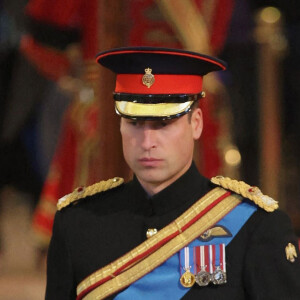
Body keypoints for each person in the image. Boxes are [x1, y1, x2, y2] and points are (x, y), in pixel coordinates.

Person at [45, 47, 300, 300]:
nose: (147, 142)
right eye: (134, 123)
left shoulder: (255, 226)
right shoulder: (77, 222)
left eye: (163, 124)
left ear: (196, 124)